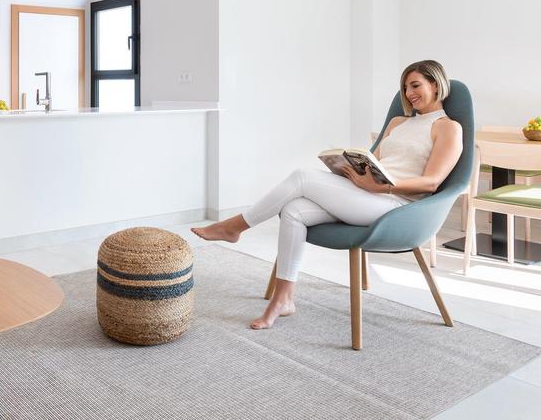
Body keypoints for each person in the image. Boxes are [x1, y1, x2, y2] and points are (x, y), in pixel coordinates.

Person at [192, 60, 463, 330]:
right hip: (369, 194)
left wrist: (384, 187)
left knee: (301, 177)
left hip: (397, 206)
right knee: (294, 210)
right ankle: (283, 299)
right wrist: (352, 170)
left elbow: (431, 182)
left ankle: (235, 227)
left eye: (415, 85)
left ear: (436, 84)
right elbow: (375, 162)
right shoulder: (397, 123)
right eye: (405, 88)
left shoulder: (447, 127)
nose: (409, 93)